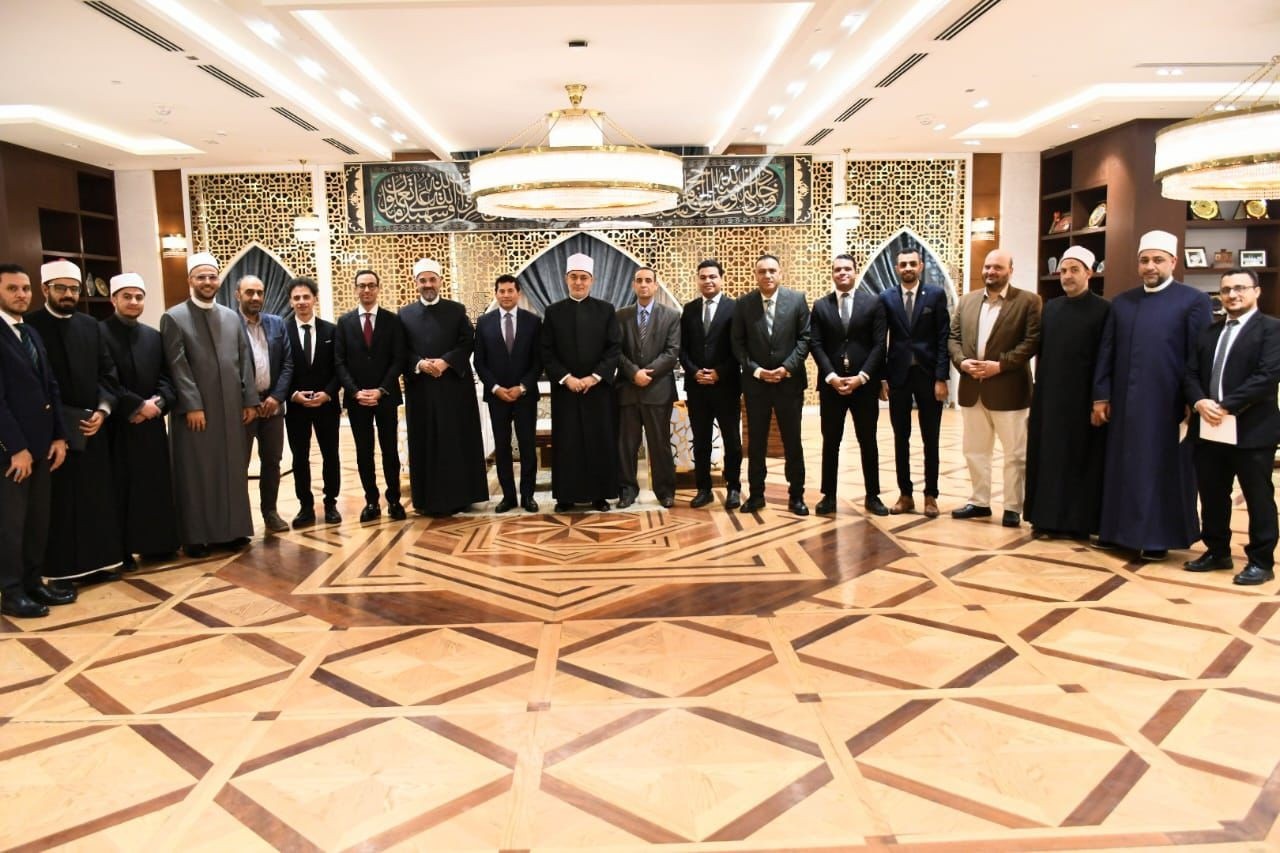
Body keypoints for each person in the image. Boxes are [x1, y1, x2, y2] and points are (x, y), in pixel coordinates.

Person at [1093, 230, 1213, 560]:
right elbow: (1107, 351)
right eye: (1144, 260)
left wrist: (1192, 400)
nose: (1150, 266)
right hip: (1123, 403)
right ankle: (1116, 532)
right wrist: (1101, 395)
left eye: (1158, 260)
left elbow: (1200, 356)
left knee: (1159, 469)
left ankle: (1159, 537)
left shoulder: (1193, 301)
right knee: (1122, 466)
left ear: (1173, 262)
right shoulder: (1122, 302)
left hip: (1167, 404)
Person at [26, 259, 124, 587]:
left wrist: (103, 411)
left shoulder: (90, 326)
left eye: (73, 289)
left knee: (97, 497)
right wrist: (58, 422)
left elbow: (107, 373)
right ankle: (61, 571)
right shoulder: (30, 326)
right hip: (52, 431)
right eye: (61, 288)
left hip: (92, 427)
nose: (68, 294)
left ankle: (102, 562)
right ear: (45, 289)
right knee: (60, 503)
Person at [1183, 268, 1280, 585]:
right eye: (1226, 290)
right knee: (1212, 494)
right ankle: (1217, 551)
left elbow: (1267, 376)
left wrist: (1224, 406)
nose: (1232, 295)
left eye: (1240, 288)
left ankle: (1261, 561)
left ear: (1256, 291)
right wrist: (1200, 401)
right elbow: (1190, 373)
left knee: (1258, 497)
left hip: (1252, 429)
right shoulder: (1209, 332)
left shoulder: (1272, 330)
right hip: (1209, 428)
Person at [161, 252, 259, 559]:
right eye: (201, 277)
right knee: (197, 472)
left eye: (212, 276)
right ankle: (196, 536)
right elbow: (177, 366)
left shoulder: (231, 317)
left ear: (219, 280)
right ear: (190, 280)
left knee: (231, 469)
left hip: (231, 408)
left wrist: (249, 400)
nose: (207, 282)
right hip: (196, 412)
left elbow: (244, 361)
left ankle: (232, 530)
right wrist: (192, 405)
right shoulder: (174, 317)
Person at [948, 249, 1041, 527]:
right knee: (975, 451)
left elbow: (1031, 342)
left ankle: (1012, 507)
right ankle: (979, 502)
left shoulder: (1028, 301)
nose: (991, 272)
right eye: (988, 267)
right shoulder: (967, 301)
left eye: (998, 267)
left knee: (1015, 454)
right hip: (972, 388)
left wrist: (1000, 366)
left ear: (1010, 270)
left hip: (1009, 390)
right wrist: (962, 362)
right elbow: (953, 338)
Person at [0, 263, 71, 618]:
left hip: (42, 446)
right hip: (13, 454)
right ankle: (11, 592)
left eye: (25, 288)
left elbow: (50, 387)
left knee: (37, 521)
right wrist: (16, 448)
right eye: (12, 288)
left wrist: (59, 435)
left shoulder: (29, 332)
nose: (21, 295)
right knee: (11, 525)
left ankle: (33, 583)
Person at [1025, 246, 1110, 539]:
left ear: (1089, 273)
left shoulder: (1104, 310)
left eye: (1074, 270)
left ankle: (1078, 524)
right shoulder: (1051, 308)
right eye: (1063, 270)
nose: (1067, 276)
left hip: (1084, 399)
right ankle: (1045, 519)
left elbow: (1105, 357)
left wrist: (1100, 399)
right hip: (1050, 397)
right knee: (1049, 458)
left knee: (1080, 461)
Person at [101, 272, 180, 568]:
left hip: (151, 424)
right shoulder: (98, 334)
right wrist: (135, 406)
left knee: (154, 485)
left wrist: (158, 403)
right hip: (118, 425)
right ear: (113, 300)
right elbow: (103, 379)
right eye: (127, 296)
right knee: (121, 488)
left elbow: (166, 377)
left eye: (138, 297)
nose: (133, 302)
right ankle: (122, 550)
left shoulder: (153, 336)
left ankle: (156, 545)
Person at [399, 258, 488, 516]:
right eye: (423, 280)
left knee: (455, 441)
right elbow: (400, 349)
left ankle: (462, 496)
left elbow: (467, 341)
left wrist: (446, 361)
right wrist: (419, 364)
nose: (428, 284)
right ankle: (428, 500)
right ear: (415, 283)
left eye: (432, 279)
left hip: (453, 389)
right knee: (426, 442)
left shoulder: (456, 310)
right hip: (422, 390)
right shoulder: (404, 314)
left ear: (440, 281)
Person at [540, 252, 622, 513]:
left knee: (599, 441)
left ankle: (600, 495)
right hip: (566, 391)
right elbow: (546, 351)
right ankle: (566, 496)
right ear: (566, 279)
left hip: (597, 391)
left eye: (583, 278)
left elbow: (614, 348)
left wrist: (593, 377)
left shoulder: (606, 310)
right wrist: (567, 378)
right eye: (574, 277)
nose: (578, 282)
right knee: (568, 443)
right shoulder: (553, 312)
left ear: (592, 280)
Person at [731, 253, 811, 515]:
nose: (767, 275)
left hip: (789, 384)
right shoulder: (744, 304)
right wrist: (757, 371)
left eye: (772, 270)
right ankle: (756, 495)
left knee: (792, 442)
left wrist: (786, 368)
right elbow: (737, 344)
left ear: (780, 273)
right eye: (762, 271)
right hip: (756, 386)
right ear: (755, 275)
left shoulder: (797, 300)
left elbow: (805, 339)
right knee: (756, 443)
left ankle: (796, 496)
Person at [810, 254, 887, 516]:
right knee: (831, 441)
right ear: (832, 274)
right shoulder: (821, 306)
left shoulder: (873, 303)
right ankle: (828, 496)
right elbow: (816, 344)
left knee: (868, 440)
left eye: (847, 269)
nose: (842, 273)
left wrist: (862, 377)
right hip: (832, 386)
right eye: (837, 269)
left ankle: (873, 496)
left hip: (863, 386)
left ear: (855, 272)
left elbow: (879, 345)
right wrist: (831, 376)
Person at [879, 248, 950, 518]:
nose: (907, 268)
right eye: (903, 264)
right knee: (901, 438)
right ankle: (905, 495)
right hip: (898, 377)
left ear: (920, 266)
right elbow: (880, 340)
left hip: (928, 376)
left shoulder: (935, 295)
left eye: (912, 263)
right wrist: (882, 377)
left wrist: (941, 377)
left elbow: (943, 337)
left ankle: (931, 495)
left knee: (931, 438)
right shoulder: (886, 297)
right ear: (897, 268)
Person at [334, 269, 406, 523]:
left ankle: (394, 500)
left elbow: (398, 359)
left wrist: (381, 389)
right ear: (355, 289)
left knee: (390, 451)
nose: (366, 290)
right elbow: (339, 361)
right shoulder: (344, 322)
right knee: (364, 453)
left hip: (385, 396)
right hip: (357, 400)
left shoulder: (392, 320)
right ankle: (371, 501)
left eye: (371, 285)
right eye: (362, 285)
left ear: (378, 288)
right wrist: (355, 392)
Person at [473, 274, 542, 513]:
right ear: (496, 293)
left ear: (518, 293)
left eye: (510, 291)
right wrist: (495, 388)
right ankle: (508, 497)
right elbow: (480, 362)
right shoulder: (484, 322)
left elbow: (538, 361)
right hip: (497, 397)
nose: (506, 295)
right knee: (502, 447)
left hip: (525, 396)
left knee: (527, 446)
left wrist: (522, 387)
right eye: (501, 291)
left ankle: (528, 496)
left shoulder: (533, 321)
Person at [616, 265, 680, 508]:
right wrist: (634, 373)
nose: (643, 284)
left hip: (658, 391)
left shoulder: (671, 316)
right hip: (628, 391)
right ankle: (627, 490)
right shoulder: (620, 316)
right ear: (633, 285)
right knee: (626, 445)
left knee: (660, 444)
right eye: (639, 280)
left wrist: (647, 374)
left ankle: (665, 491)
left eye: (648, 280)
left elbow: (672, 352)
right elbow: (616, 351)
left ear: (655, 285)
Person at [679, 259, 741, 510]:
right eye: (703, 277)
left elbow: (739, 348)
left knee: (732, 441)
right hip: (697, 388)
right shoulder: (689, 309)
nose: (708, 281)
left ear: (721, 279)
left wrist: (718, 373)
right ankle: (703, 489)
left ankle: (734, 487)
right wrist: (695, 372)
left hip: (726, 386)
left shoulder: (735, 308)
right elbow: (682, 348)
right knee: (701, 441)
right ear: (698, 280)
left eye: (712, 276)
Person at [237, 274, 293, 534]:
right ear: (238, 295)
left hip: (272, 406)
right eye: (250, 292)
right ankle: (240, 520)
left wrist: (276, 397)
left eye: (259, 292)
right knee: (239, 464)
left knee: (272, 461)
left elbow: (287, 364)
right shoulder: (229, 325)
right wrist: (249, 401)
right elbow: (229, 368)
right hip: (243, 409)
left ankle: (270, 512)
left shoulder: (276, 323)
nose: (256, 297)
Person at [284, 276, 342, 528]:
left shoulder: (331, 330)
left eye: (306, 297)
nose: (301, 302)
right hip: (295, 406)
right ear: (290, 302)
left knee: (331, 455)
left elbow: (339, 367)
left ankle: (331, 503)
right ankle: (305, 506)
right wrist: (292, 394)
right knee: (300, 457)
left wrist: (328, 393)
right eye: (296, 298)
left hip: (326, 404)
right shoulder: (282, 331)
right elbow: (279, 369)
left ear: (315, 299)